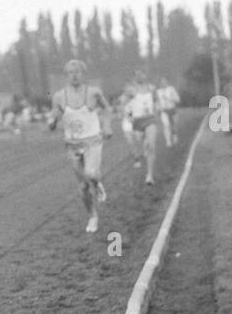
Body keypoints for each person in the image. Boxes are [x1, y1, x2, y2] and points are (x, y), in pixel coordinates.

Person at [47, 58, 112, 234]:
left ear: (83, 74)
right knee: (83, 187)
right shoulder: (59, 96)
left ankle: (97, 182)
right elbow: (53, 117)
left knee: (91, 173)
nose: (74, 76)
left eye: (77, 72)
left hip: (92, 141)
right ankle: (92, 216)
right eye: (70, 72)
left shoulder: (94, 93)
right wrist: (51, 122)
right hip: (72, 145)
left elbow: (107, 109)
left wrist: (107, 126)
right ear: (66, 76)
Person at [124, 71, 159, 184]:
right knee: (140, 143)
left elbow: (156, 101)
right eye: (137, 74)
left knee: (151, 145)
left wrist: (156, 111)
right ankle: (143, 150)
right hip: (137, 121)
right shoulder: (131, 90)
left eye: (142, 74)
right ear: (135, 77)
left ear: (146, 75)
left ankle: (149, 175)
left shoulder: (151, 88)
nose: (140, 76)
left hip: (149, 119)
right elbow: (125, 105)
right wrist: (129, 116)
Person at [156, 76, 180, 147]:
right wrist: (158, 109)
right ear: (159, 83)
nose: (163, 83)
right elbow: (157, 102)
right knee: (166, 125)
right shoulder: (158, 92)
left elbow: (177, 99)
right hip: (164, 111)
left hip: (172, 109)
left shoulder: (171, 89)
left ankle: (174, 136)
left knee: (173, 125)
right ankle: (168, 141)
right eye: (161, 82)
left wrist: (169, 98)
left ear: (167, 82)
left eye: (165, 81)